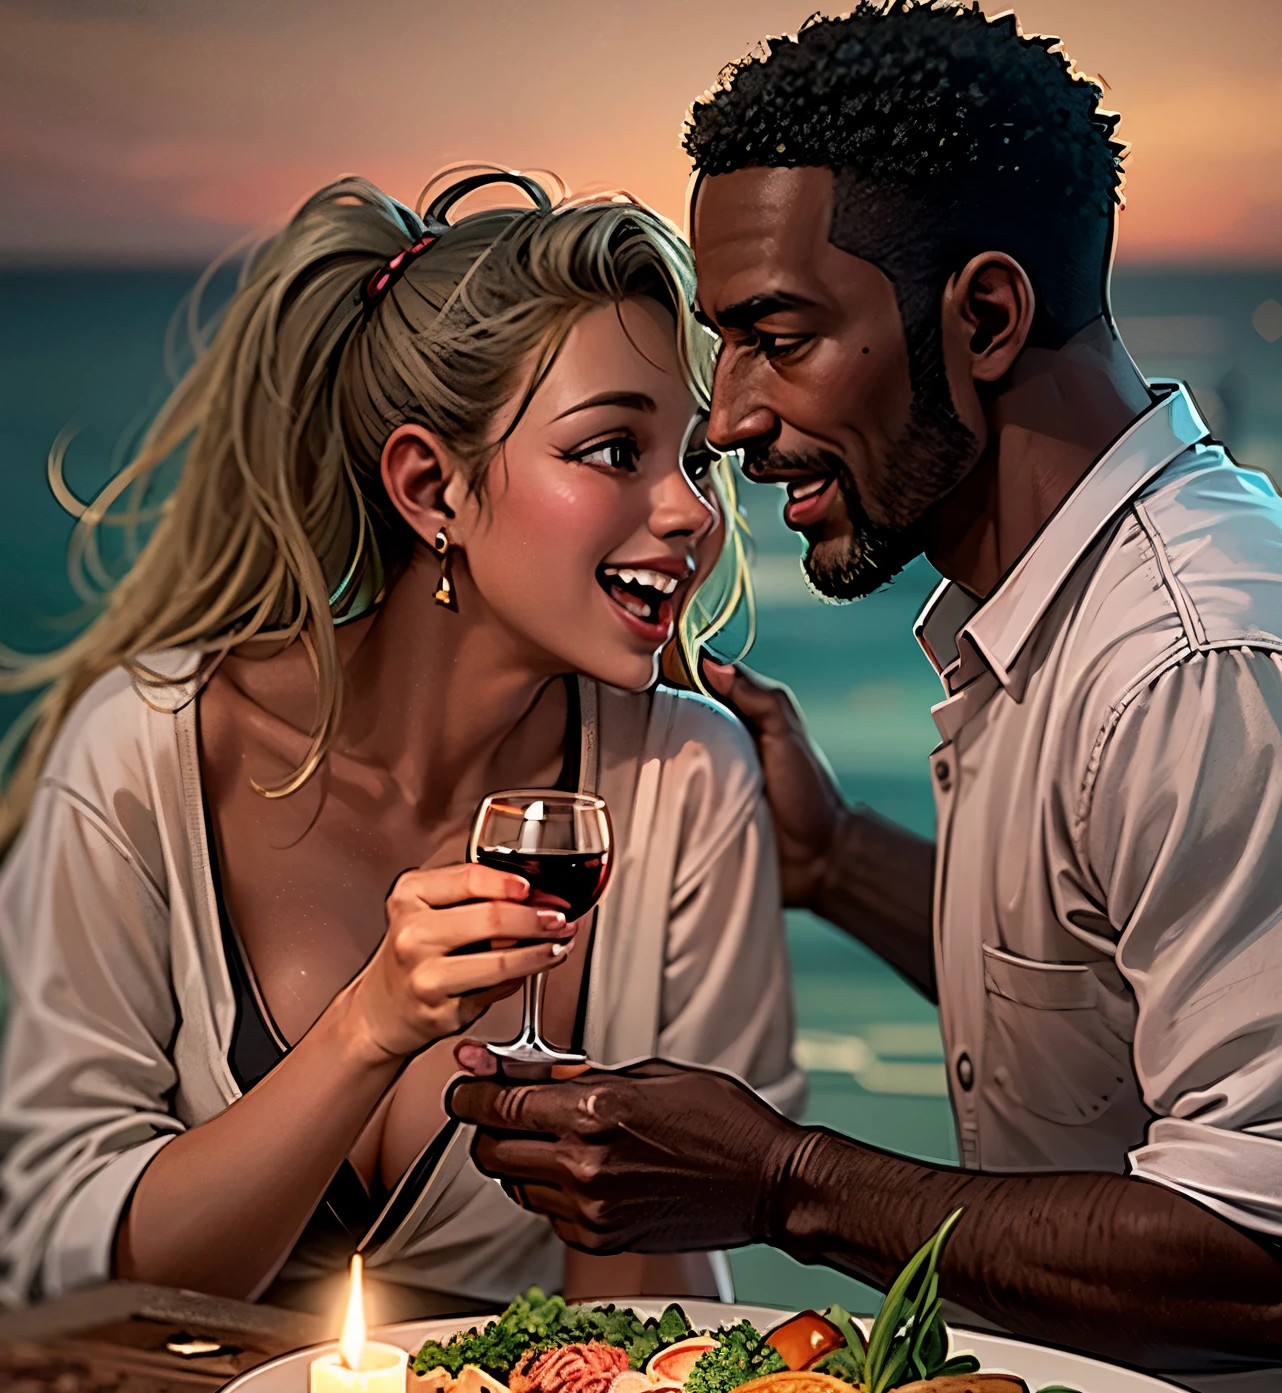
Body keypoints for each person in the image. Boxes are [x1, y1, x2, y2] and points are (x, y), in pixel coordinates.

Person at [451, 0, 1282, 1393]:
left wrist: (782, 1179)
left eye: (778, 336)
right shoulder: (1056, 616)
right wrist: (837, 862)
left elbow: (1274, 1269)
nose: (734, 420)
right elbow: (1116, 981)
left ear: (986, 315)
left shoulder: (1210, 668)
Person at [0, 170, 800, 1319]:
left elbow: (645, 1318)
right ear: (433, 485)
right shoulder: (145, 753)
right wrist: (369, 1027)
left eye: (700, 459)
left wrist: (653, 1176)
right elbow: (77, 1276)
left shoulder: (691, 784)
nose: (691, 513)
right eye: (616, 450)